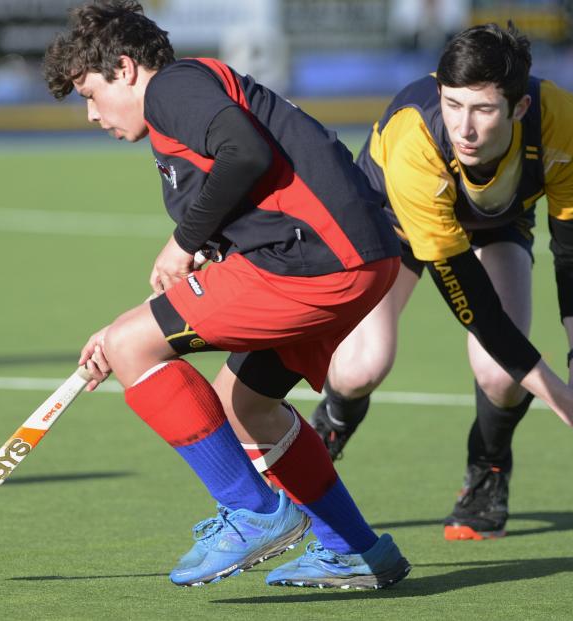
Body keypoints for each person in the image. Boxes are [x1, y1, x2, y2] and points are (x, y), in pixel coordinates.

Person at [43, 1, 410, 589]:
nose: (91, 114)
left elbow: (247, 152)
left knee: (134, 346)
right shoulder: (190, 102)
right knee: (247, 406)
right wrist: (143, 311)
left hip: (317, 262)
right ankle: (357, 552)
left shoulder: (173, 89)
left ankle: (255, 513)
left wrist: (181, 245)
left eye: (91, 93)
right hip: (356, 258)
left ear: (126, 68)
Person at [312, 22, 573, 540]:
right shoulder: (414, 135)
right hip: (389, 220)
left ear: (518, 109)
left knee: (502, 376)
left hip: (496, 222)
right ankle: (326, 431)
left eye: (483, 110)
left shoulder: (563, 128)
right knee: (362, 367)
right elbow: (474, 305)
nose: (464, 128)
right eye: (453, 104)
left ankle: (487, 469)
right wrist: (571, 406)